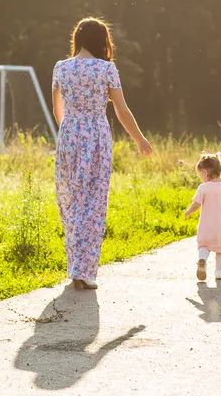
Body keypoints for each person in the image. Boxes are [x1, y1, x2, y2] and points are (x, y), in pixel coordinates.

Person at [52, 17, 152, 290]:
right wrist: (140, 139)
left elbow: (57, 111)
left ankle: (75, 267)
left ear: (78, 40)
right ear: (102, 41)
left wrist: (70, 133)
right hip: (96, 136)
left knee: (71, 202)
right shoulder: (106, 69)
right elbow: (121, 110)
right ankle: (86, 271)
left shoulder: (61, 68)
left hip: (68, 137)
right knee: (93, 204)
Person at [184, 152, 221, 281]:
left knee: (204, 246)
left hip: (206, 227)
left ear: (205, 172)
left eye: (200, 175)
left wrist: (188, 212)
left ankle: (202, 259)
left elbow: (196, 204)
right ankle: (219, 271)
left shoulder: (203, 187)